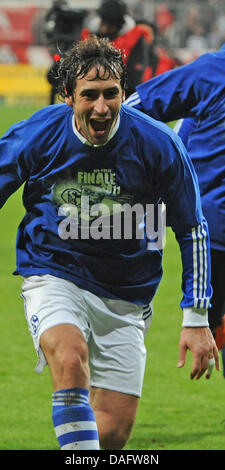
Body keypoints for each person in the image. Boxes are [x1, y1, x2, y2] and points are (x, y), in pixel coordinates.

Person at [0, 36, 219, 451]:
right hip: (55, 273)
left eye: (111, 94)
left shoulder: (158, 143)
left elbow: (193, 228)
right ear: (68, 97)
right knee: (68, 356)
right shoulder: (39, 133)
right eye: (89, 96)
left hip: (127, 296)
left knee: (112, 434)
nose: (102, 108)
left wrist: (196, 316)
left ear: (123, 92)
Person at [125, 43, 225, 353]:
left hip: (212, 227)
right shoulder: (213, 71)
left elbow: (131, 108)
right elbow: (131, 109)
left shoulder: (212, 71)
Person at [81, 0, 157, 97]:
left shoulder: (135, 39)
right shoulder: (88, 35)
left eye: (109, 26)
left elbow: (135, 78)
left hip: (121, 94)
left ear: (119, 25)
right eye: (103, 23)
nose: (104, 29)